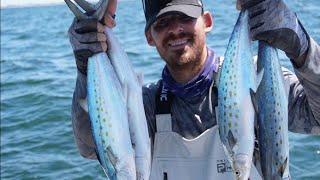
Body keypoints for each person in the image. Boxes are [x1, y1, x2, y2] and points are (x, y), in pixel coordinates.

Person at [69, 0, 320, 179]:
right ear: (150, 37)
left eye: (185, 18)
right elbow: (91, 147)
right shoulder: (147, 106)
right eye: (163, 23)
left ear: (207, 22)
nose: (176, 29)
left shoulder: (256, 80)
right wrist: (85, 69)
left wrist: (301, 47)